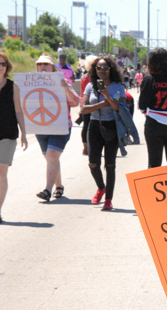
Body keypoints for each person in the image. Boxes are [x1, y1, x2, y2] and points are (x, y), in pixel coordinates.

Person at [80, 55, 127, 211]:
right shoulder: (90, 87)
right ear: (95, 70)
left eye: (105, 68)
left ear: (110, 69)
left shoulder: (118, 87)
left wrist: (107, 95)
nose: (102, 70)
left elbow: (120, 108)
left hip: (112, 126)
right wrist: (102, 103)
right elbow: (83, 109)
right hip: (94, 126)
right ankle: (101, 187)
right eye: (98, 68)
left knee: (110, 164)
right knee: (93, 163)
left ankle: (108, 199)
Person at [34, 54, 80, 202]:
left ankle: (47, 190)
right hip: (41, 126)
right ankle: (58, 185)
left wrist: (65, 88)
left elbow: (75, 102)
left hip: (60, 126)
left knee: (52, 155)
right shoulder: (31, 82)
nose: (42, 67)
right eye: (39, 64)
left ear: (52, 67)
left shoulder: (63, 81)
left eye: (46, 64)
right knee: (50, 158)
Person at [139, 48, 167, 168]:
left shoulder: (148, 79)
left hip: (153, 124)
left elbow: (142, 106)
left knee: (154, 165)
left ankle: (153, 187)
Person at [0, 52, 28, 223]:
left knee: (1, 171)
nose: (0, 67)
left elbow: (18, 111)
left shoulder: (13, 87)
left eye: (3, 64)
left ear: (7, 67)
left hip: (7, 134)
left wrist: (24, 133)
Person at [80, 55, 97, 155]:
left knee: (85, 126)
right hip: (93, 103)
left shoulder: (83, 78)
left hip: (84, 104)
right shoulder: (94, 78)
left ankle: (85, 148)